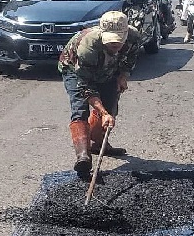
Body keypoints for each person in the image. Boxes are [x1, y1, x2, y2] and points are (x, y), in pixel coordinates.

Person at [59, 11, 141, 176]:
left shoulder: (134, 37)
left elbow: (130, 59)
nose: (114, 45)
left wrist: (123, 76)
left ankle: (98, 143)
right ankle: (83, 156)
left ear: (126, 33)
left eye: (118, 40)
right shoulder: (88, 45)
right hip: (75, 70)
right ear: (103, 33)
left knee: (110, 104)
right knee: (80, 108)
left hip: (108, 68)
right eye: (110, 41)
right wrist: (102, 112)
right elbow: (86, 86)